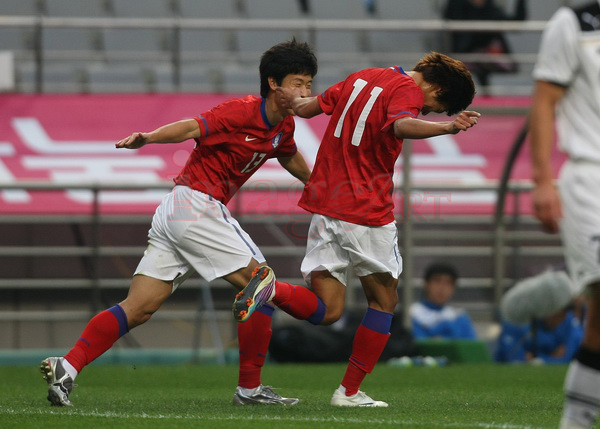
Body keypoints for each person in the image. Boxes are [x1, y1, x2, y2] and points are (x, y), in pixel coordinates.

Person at [39, 39, 324, 407]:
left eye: (309, 84)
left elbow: (288, 155)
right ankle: (249, 390)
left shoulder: (284, 126)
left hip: (179, 213)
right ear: (273, 83)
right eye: (298, 83)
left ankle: (68, 366)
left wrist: (317, 184)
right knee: (261, 285)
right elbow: (192, 127)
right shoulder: (241, 111)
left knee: (139, 307)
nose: (306, 92)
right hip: (195, 206)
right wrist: (149, 138)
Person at [233, 52, 479, 407]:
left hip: (325, 205)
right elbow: (401, 125)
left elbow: (305, 109)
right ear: (437, 88)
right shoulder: (407, 90)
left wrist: (288, 97)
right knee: (384, 301)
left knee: (328, 309)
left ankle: (272, 288)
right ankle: (348, 392)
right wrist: (447, 127)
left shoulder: (362, 76)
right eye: (434, 107)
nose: (425, 112)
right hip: (365, 208)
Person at [528, 1, 600, 427]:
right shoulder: (575, 23)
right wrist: (542, 179)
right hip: (590, 178)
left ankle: (576, 419)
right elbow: (544, 101)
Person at [443, 0, 527, 88]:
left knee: (494, 62)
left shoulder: (491, 10)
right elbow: (448, 19)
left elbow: (516, 22)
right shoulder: (458, 7)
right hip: (465, 55)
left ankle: (486, 89)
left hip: (489, 56)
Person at [410, 262, 477, 340]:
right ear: (426, 284)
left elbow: (472, 345)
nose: (442, 288)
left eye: (448, 283)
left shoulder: (458, 319)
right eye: (437, 281)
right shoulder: (411, 315)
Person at [494, 307, 584, 364]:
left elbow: (567, 358)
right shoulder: (516, 320)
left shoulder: (568, 321)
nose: (560, 320)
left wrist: (536, 360)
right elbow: (514, 358)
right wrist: (549, 358)